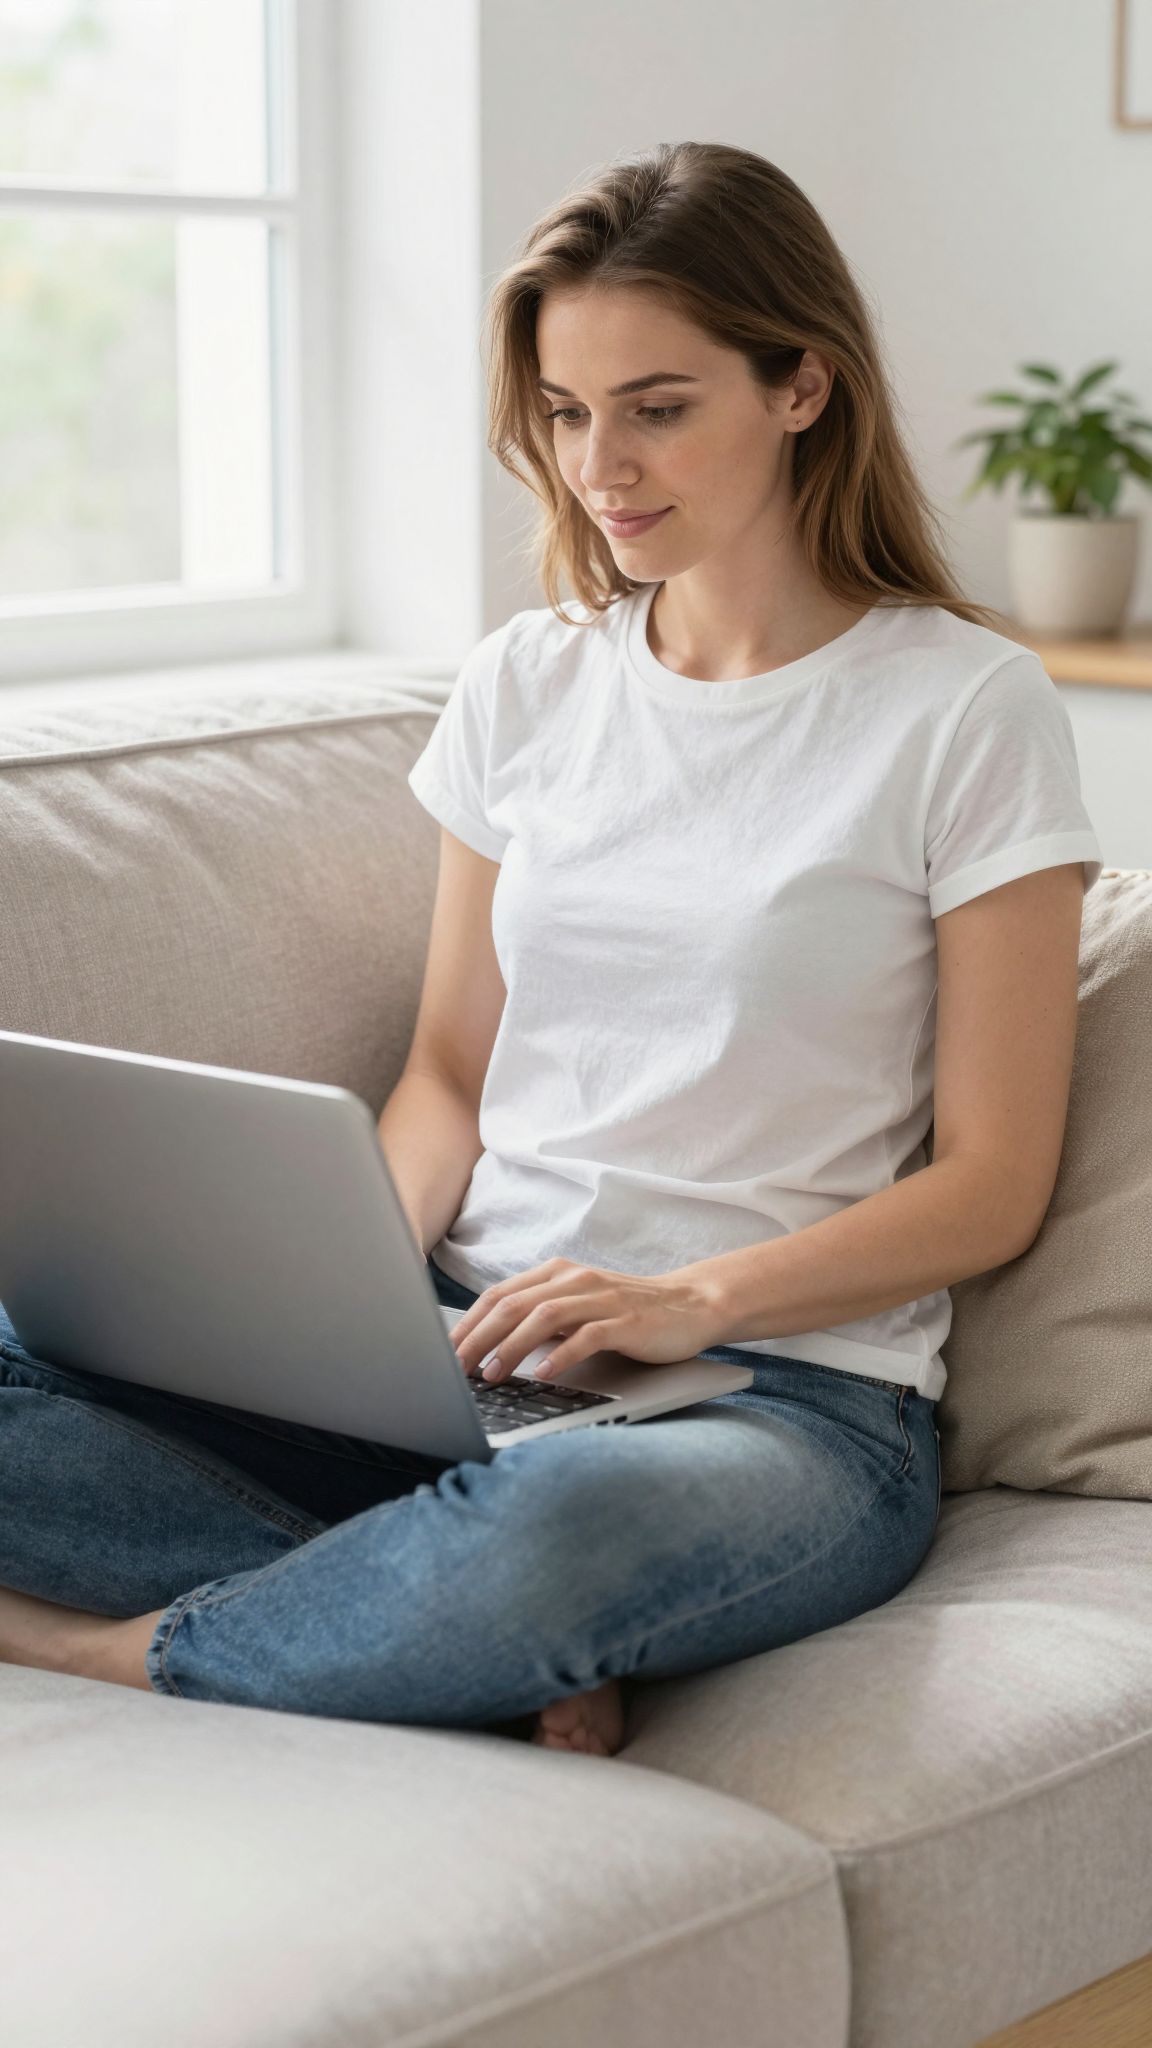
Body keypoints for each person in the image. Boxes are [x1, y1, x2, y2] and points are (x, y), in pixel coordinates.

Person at [0, 141, 1101, 1759]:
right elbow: (450, 1070)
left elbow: (994, 1182)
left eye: (658, 407)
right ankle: (451, 1642)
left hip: (774, 1402)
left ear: (802, 387)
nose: (603, 465)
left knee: (563, 1538)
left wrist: (685, 1294)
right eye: (569, 413)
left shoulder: (962, 707)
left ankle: (112, 1655)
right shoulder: (530, 679)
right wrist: (336, 1311)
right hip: (462, 1351)